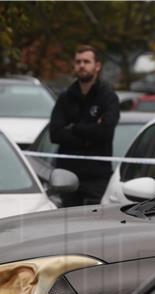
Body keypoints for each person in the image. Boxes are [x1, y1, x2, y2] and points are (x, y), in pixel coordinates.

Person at [49, 45, 120, 206]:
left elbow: (105, 133)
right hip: (67, 176)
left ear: (97, 66)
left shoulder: (108, 97)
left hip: (97, 178)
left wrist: (75, 127)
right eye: (78, 61)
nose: (81, 65)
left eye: (86, 61)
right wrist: (89, 136)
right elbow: (55, 134)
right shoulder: (66, 97)